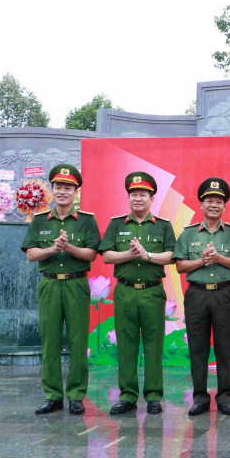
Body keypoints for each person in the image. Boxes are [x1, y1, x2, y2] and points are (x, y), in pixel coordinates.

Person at [21, 164, 100, 415]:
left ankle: (76, 395)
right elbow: (32, 254)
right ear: (52, 190)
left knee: (78, 341)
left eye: (68, 187)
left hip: (77, 284)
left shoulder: (87, 221)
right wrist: (53, 249)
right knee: (50, 342)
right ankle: (53, 396)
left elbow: (92, 253)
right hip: (50, 285)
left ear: (76, 192)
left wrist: (69, 248)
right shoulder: (40, 220)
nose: (63, 191)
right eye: (58, 187)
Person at [99, 172, 176, 415]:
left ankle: (153, 396)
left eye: (143, 194)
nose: (138, 198)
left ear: (152, 198)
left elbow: (172, 256)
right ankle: (128, 396)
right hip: (125, 292)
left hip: (152, 292)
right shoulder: (117, 224)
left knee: (154, 345)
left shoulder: (163, 226)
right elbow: (106, 254)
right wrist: (128, 255)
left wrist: (148, 256)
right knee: (126, 344)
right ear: (128, 198)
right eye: (133, 194)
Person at [173, 178, 230, 416]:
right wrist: (202, 260)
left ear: (224, 206)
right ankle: (200, 398)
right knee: (198, 347)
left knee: (225, 347)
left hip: (225, 294)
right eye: (209, 201)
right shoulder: (188, 233)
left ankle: (225, 397)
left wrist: (219, 259)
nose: (214, 205)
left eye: (219, 201)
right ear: (201, 205)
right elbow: (180, 266)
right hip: (197, 295)